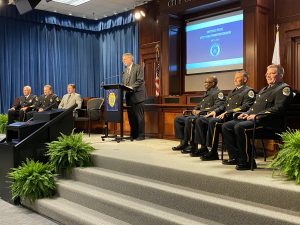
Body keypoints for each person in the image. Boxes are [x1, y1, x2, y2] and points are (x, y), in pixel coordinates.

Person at [222, 64, 293, 170]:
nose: (268, 76)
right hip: (257, 120)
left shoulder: (284, 89)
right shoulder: (264, 89)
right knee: (227, 126)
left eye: (272, 73)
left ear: (281, 75)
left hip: (269, 123)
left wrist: (257, 116)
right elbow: (254, 107)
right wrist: (246, 113)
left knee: (240, 127)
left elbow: (279, 108)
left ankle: (247, 161)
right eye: (267, 74)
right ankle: (235, 157)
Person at [193, 70, 255, 160]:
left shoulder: (248, 91)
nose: (235, 80)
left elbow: (246, 106)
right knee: (201, 119)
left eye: (237, 78)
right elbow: (224, 105)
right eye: (234, 78)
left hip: (234, 117)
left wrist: (228, 112)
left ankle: (213, 151)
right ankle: (204, 148)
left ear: (245, 79)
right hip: (225, 116)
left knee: (213, 122)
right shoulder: (232, 91)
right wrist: (215, 111)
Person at [172, 76, 225, 153]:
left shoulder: (218, 93)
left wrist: (201, 111)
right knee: (178, 119)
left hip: (207, 115)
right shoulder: (207, 92)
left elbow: (218, 106)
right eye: (204, 82)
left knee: (189, 120)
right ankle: (184, 143)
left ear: (213, 83)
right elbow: (200, 104)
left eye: (207, 82)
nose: (204, 84)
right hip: (200, 115)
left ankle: (193, 146)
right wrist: (195, 109)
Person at [122, 53, 146, 140]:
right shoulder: (125, 71)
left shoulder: (138, 67)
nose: (123, 61)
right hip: (129, 97)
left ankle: (141, 135)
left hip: (138, 96)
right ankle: (133, 134)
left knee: (139, 117)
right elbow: (124, 83)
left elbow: (140, 80)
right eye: (123, 59)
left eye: (124, 59)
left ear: (130, 59)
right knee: (131, 117)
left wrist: (131, 87)